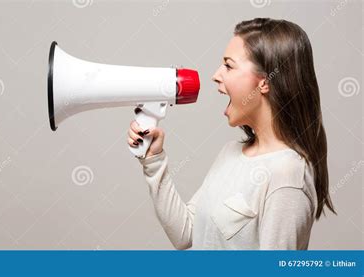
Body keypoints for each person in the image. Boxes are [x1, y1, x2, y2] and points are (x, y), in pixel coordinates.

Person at [127, 18, 336, 250]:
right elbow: (186, 233)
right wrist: (153, 162)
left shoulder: (288, 176)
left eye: (228, 65)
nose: (216, 75)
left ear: (265, 82)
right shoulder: (231, 153)